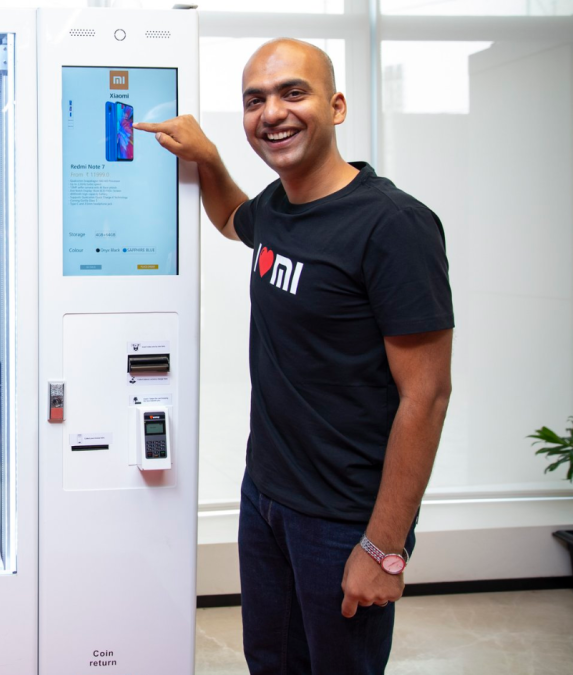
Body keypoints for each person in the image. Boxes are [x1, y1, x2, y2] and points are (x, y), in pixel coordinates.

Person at [136, 39, 453, 674]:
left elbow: (428, 394)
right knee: (272, 664)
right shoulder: (279, 208)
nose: (272, 112)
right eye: (255, 100)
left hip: (343, 518)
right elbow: (234, 220)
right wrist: (209, 160)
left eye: (292, 93)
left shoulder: (392, 225)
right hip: (267, 499)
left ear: (335, 106)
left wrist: (384, 547)